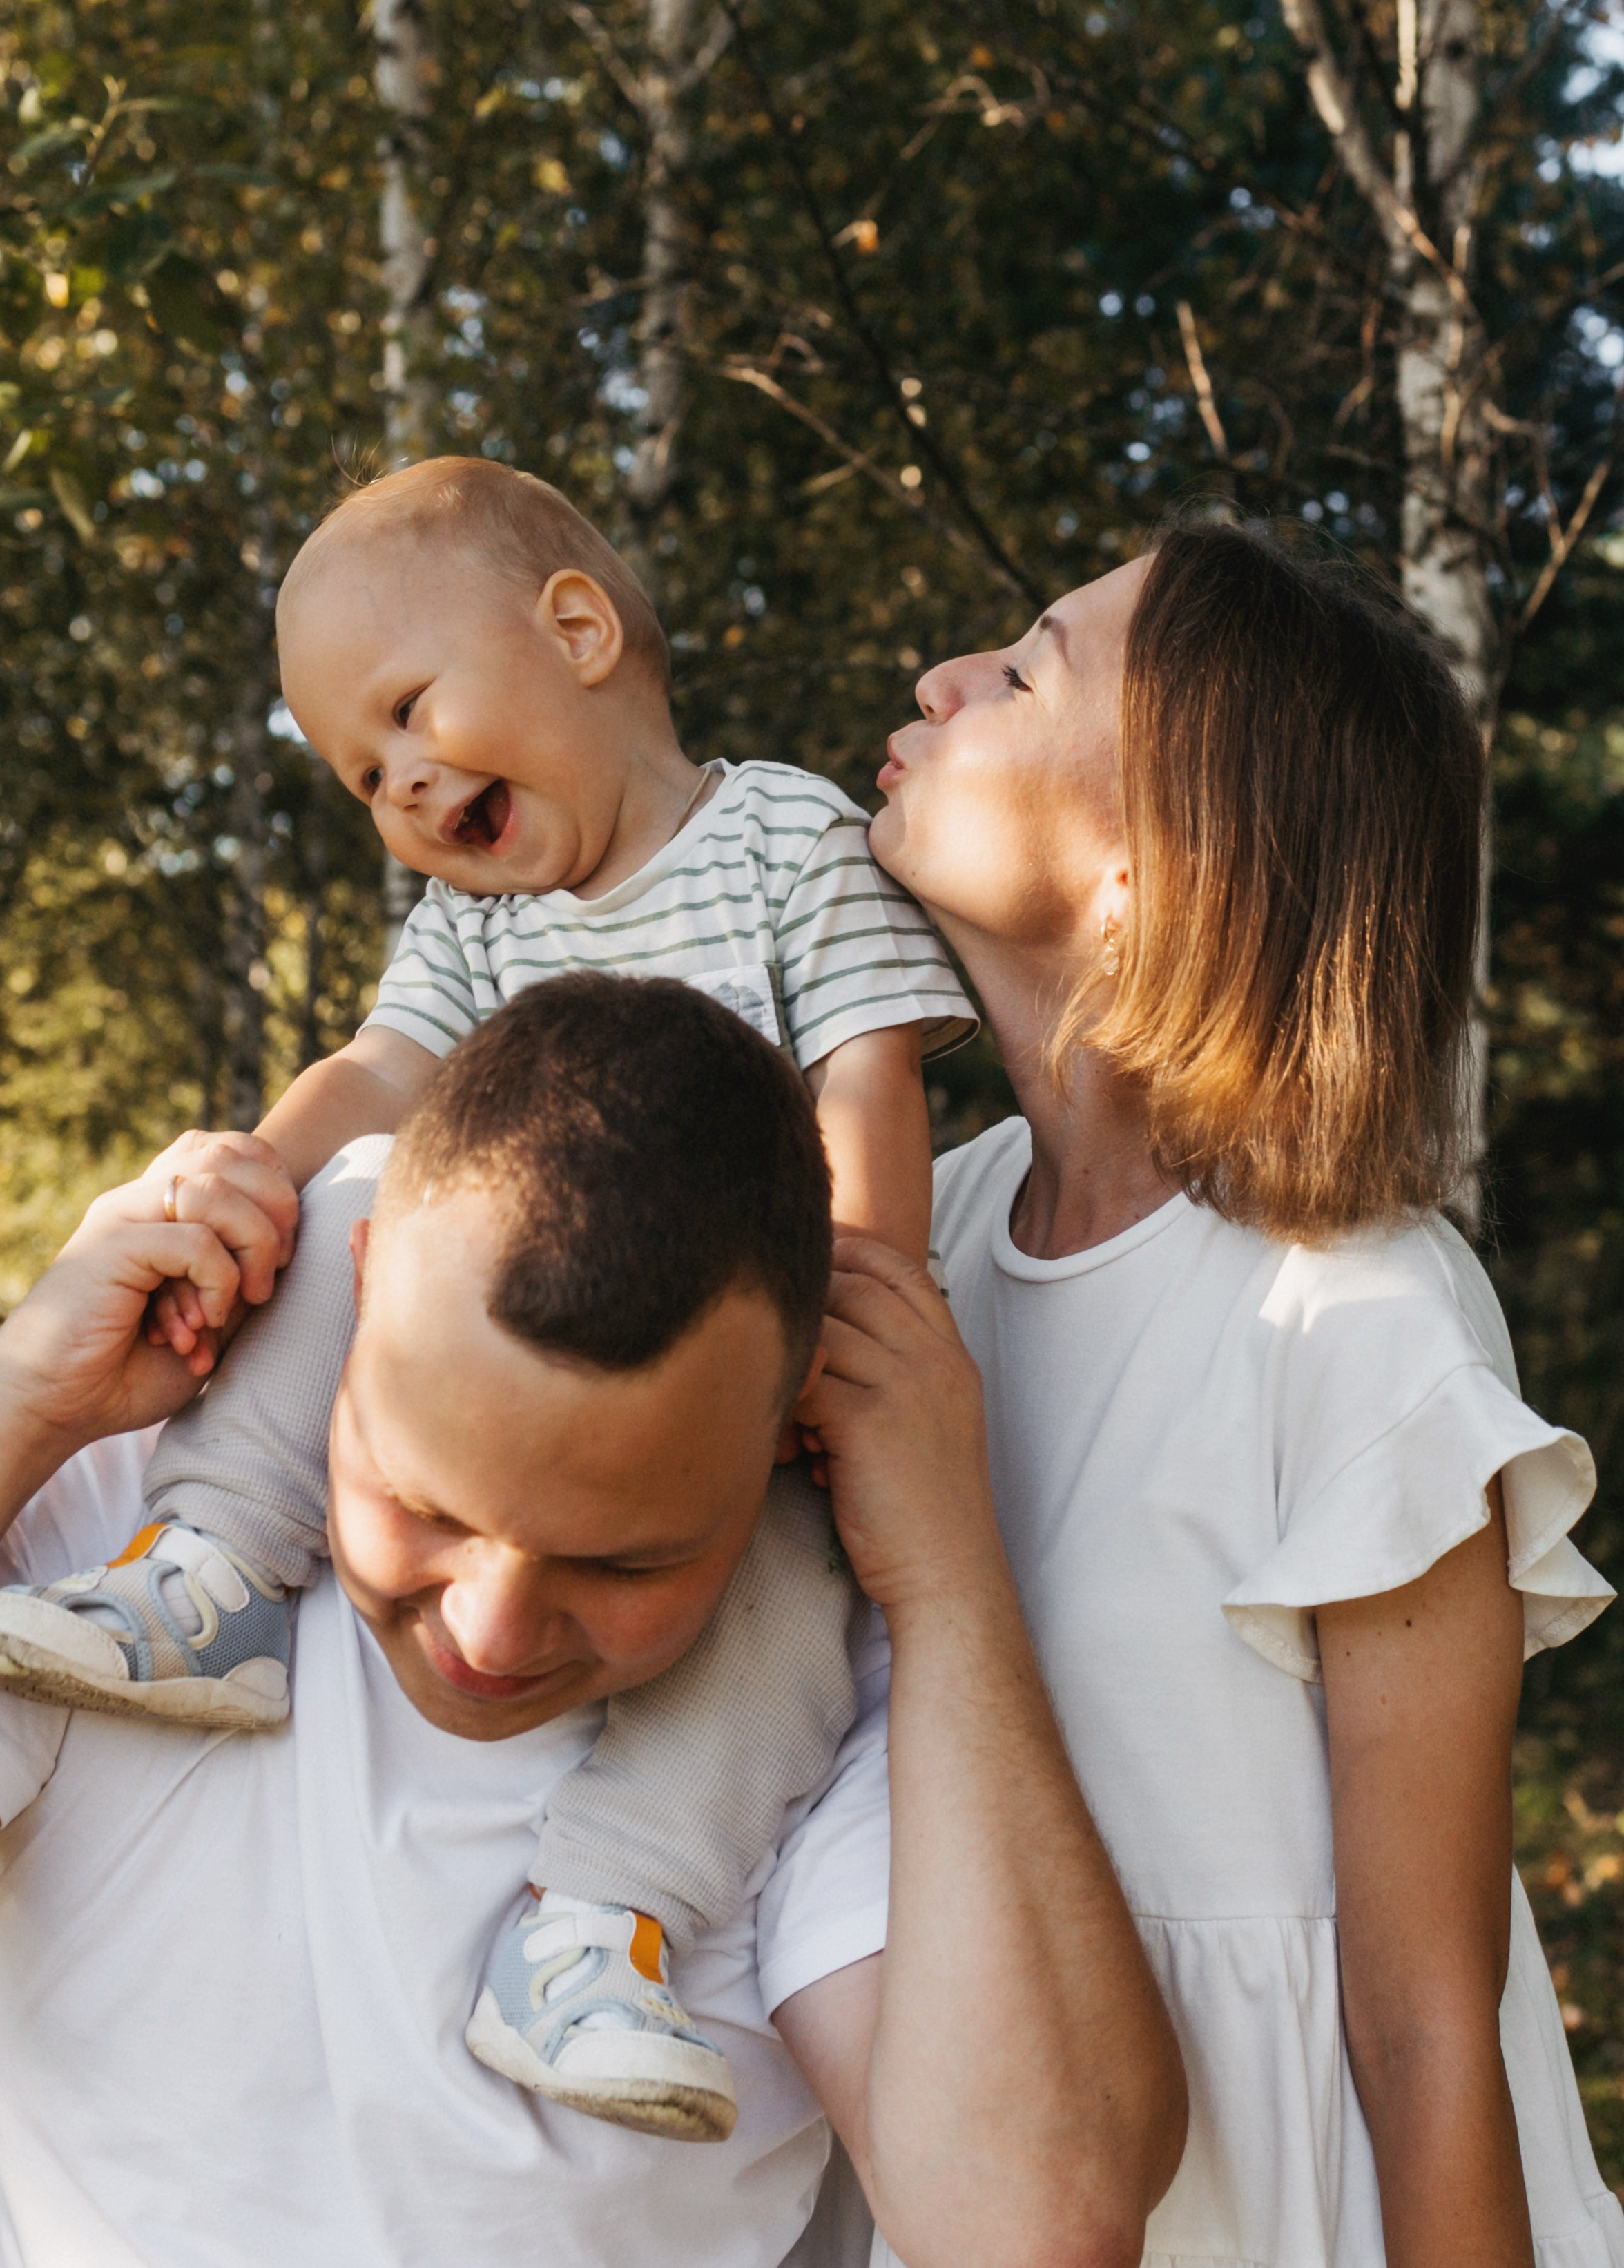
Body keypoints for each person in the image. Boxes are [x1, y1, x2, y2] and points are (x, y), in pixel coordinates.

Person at [0, 455, 976, 2135]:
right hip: (492, 1335)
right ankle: (214, 1569)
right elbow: (381, 1073)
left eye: (406, 713)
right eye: (357, 770)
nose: (393, 785)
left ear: (578, 629)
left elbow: (865, 1088)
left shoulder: (781, 840)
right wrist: (247, 1170)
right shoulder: (471, 920)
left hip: (742, 1356)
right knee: (361, 1211)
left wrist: (849, 1328)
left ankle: (599, 1928)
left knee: (797, 1598)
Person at [0, 975, 1186, 2268]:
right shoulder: (109, 1536)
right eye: (422, 1503)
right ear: (362, 1273)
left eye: (623, 1565)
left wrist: (953, 1581)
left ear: (789, 1421)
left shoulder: (819, 1686)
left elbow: (1031, 2227)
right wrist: (23, 1402)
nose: (493, 1632)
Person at [868, 517, 1624, 2268]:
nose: (944, 678)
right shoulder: (926, 1240)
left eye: (1030, 665)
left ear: (1154, 860)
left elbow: (1431, 2021)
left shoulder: (1356, 1308)